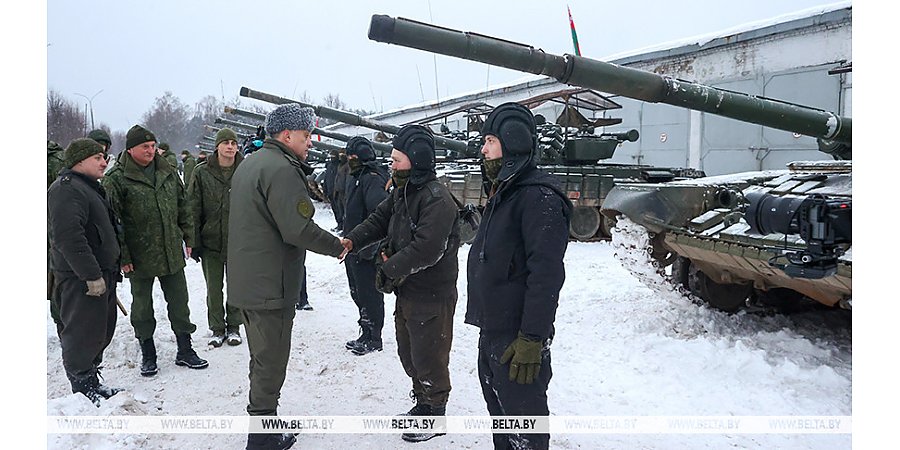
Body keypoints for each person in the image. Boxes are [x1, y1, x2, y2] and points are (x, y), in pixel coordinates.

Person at [227, 103, 346, 450]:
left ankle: (265, 423)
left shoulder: (251, 164)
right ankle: (263, 437)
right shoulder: (282, 169)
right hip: (270, 286)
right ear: (288, 134)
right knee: (270, 363)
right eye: (307, 135)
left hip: (250, 281)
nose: (311, 142)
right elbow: (298, 229)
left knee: (261, 357)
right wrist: (337, 245)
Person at [342, 124, 460, 443]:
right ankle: (422, 402)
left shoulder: (437, 199)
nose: (391, 164)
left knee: (428, 355)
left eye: (396, 159)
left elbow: (427, 248)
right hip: (408, 289)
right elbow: (380, 219)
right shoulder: (404, 191)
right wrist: (353, 240)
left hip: (431, 292)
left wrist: (387, 269)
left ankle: (435, 412)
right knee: (410, 353)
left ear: (416, 160)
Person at [466, 103, 572, 450]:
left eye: (490, 140)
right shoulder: (505, 191)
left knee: (524, 426)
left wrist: (532, 338)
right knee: (502, 419)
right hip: (494, 330)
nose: (483, 149)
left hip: (518, 337)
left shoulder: (538, 196)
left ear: (512, 142)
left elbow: (546, 275)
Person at [103, 124, 208, 377]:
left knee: (180, 302)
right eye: (145, 147)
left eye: (152, 146)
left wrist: (188, 237)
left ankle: (185, 349)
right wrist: (123, 256)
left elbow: (184, 207)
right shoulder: (116, 179)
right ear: (130, 150)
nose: (151, 151)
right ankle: (148, 353)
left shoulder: (167, 171)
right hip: (139, 256)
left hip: (170, 248)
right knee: (142, 307)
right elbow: (113, 221)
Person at [48, 138, 122, 406]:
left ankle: (92, 380)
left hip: (101, 274)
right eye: (98, 158)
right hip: (82, 279)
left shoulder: (88, 187)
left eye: (105, 157)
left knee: (100, 331)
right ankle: (82, 389)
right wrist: (90, 275)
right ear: (79, 160)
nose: (105, 162)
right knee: (81, 334)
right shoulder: (66, 190)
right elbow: (69, 237)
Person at [187, 128, 244, 347]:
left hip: (239, 240)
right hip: (211, 239)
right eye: (226, 143)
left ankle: (234, 326)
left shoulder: (245, 170)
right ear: (217, 146)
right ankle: (217, 328)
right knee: (213, 287)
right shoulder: (202, 172)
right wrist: (193, 239)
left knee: (237, 285)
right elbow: (193, 206)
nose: (230, 147)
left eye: (233, 143)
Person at [340, 137, 390, 355]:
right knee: (357, 292)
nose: (349, 160)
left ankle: (374, 337)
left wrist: (370, 249)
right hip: (353, 246)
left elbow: (380, 214)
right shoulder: (357, 176)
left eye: (352, 157)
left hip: (366, 249)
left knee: (369, 294)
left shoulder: (371, 178)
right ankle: (365, 331)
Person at [47, 139, 68, 334]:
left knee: (57, 283)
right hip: (55, 233)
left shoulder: (56, 161)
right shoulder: (58, 160)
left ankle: (62, 325)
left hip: (54, 234)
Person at [331, 151, 349, 232]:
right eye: (340, 155)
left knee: (346, 211)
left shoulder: (347, 166)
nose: (341, 157)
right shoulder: (340, 165)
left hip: (344, 192)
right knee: (339, 210)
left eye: (343, 155)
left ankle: (345, 228)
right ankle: (340, 226)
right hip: (338, 191)